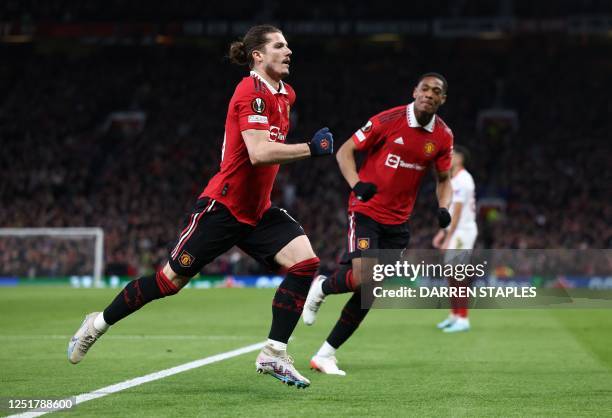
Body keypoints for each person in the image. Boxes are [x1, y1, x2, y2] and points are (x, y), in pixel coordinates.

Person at [67, 24, 334, 389]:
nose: (288, 52)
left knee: (305, 263)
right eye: (279, 46)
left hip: (257, 211)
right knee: (168, 281)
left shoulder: (286, 94)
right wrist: (310, 149)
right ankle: (96, 324)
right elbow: (257, 153)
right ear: (258, 55)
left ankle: (273, 353)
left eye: (288, 45)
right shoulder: (250, 92)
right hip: (223, 207)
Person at [302, 73, 454, 375]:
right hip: (367, 210)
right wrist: (356, 184)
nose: (429, 94)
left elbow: (444, 179)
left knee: (369, 290)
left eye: (436, 91)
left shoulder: (443, 136)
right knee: (362, 277)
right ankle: (320, 286)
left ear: (442, 99)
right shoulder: (389, 119)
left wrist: (443, 207)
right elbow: (346, 151)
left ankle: (325, 355)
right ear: (415, 91)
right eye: (424, 88)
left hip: (399, 223)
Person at [433, 145, 477, 333]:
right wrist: (442, 232)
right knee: (451, 276)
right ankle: (454, 315)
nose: (448, 159)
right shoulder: (455, 179)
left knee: (458, 275)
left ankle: (463, 318)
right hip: (456, 230)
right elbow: (450, 211)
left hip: (463, 231)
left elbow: (457, 213)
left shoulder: (463, 180)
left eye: (452, 156)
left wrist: (448, 238)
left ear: (460, 159)